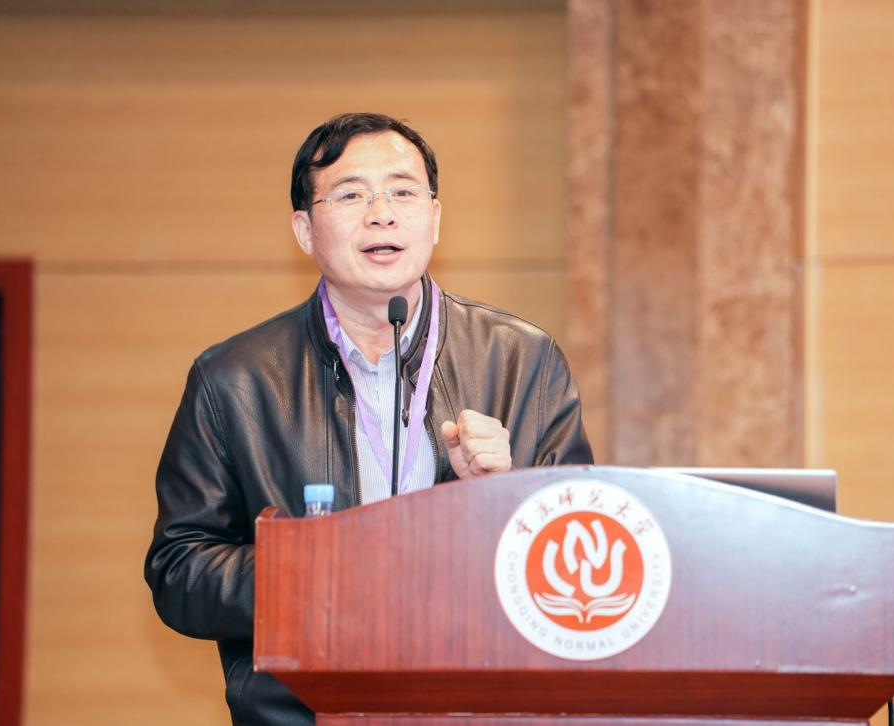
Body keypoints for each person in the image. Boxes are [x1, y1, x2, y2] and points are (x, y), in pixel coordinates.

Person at [144, 112, 592, 726]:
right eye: (351, 195)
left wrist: (500, 496)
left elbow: (576, 566)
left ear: (435, 217)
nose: (382, 214)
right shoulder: (235, 380)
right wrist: (318, 573)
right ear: (304, 230)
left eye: (403, 193)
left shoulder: (523, 359)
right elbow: (180, 571)